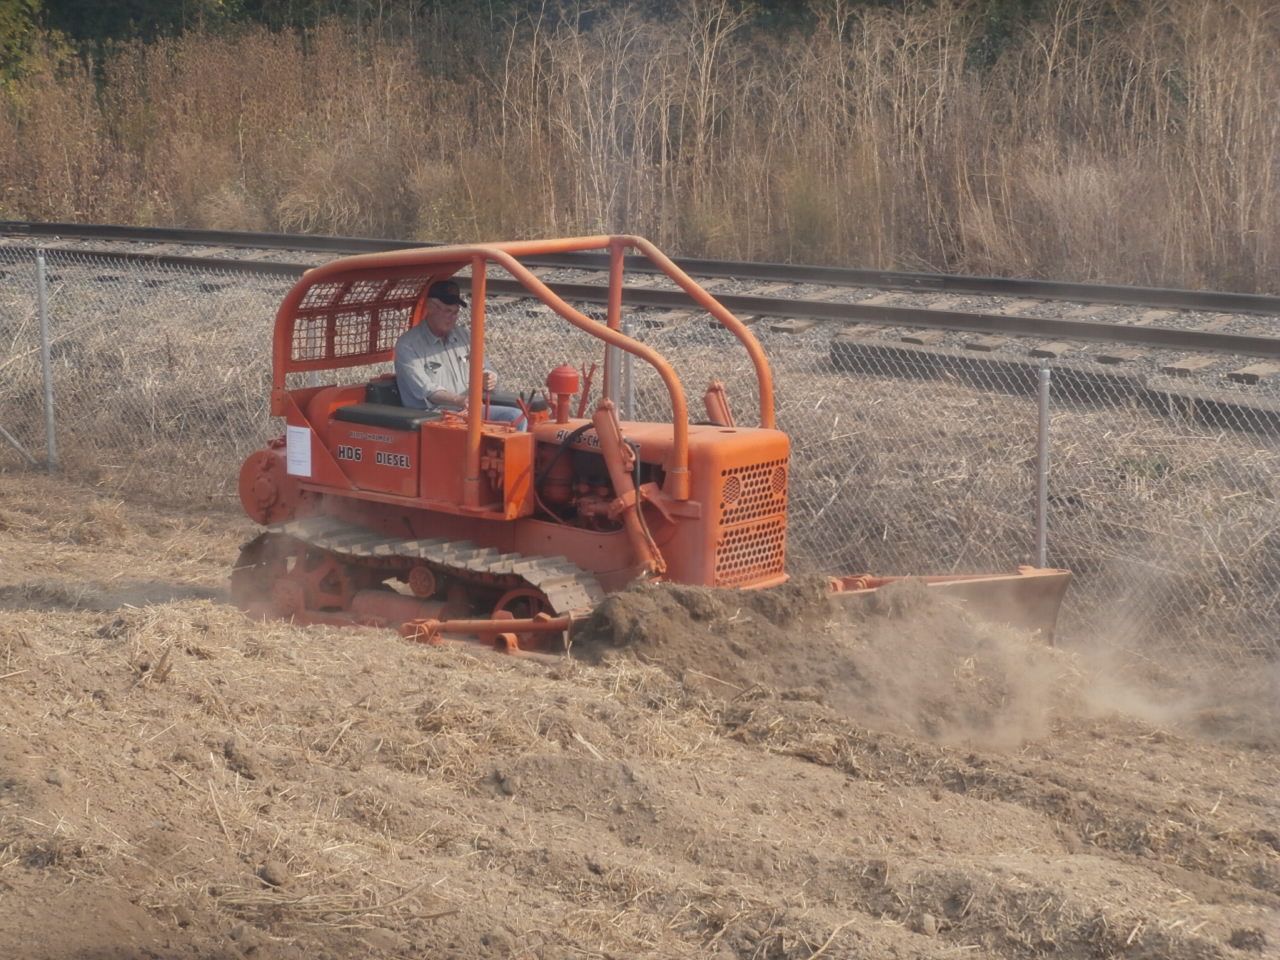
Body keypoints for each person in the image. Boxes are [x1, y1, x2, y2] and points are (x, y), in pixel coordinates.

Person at [393, 279, 524, 427]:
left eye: (455, 312)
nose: (453, 318)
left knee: (516, 417)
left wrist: (489, 377)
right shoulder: (408, 345)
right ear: (430, 308)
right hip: (434, 415)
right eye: (448, 311)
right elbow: (427, 390)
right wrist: (459, 400)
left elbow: (485, 368)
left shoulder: (465, 337)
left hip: (467, 410)